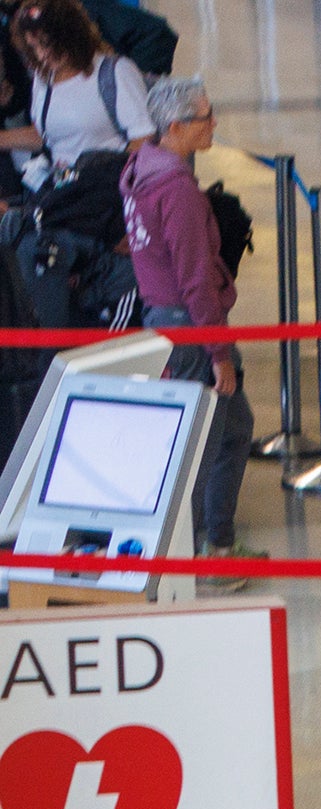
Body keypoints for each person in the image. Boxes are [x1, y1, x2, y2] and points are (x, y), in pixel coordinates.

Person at [120, 78, 246, 564]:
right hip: (192, 330)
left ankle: (218, 543)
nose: (214, 124)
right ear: (175, 127)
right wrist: (219, 354)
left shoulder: (137, 169)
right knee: (201, 445)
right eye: (205, 117)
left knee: (233, 430)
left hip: (165, 321)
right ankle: (193, 556)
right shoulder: (175, 190)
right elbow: (195, 278)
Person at [4, 0, 150, 176]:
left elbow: (143, 139)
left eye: (47, 44)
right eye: (34, 47)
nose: (41, 55)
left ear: (70, 35)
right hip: (64, 186)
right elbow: (46, 136)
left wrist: (110, 174)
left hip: (106, 188)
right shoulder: (42, 78)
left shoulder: (116, 71)